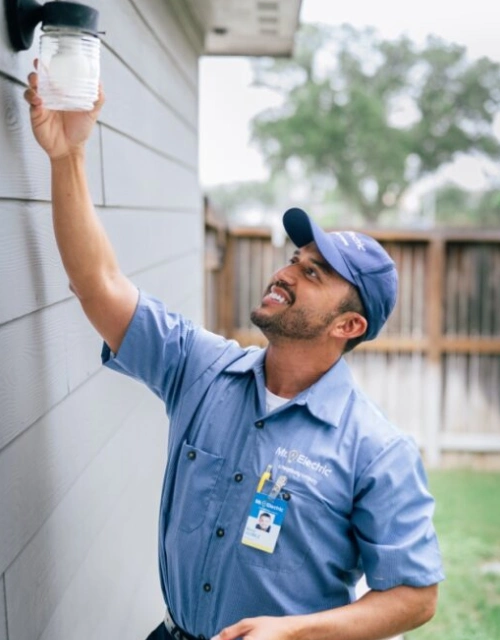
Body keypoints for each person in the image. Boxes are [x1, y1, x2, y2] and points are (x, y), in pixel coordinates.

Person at [24, 72, 444, 640]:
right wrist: (68, 154)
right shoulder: (201, 370)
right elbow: (96, 282)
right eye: (295, 258)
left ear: (348, 325)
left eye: (311, 273)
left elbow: (415, 596)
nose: (285, 272)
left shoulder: (376, 452)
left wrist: (294, 632)